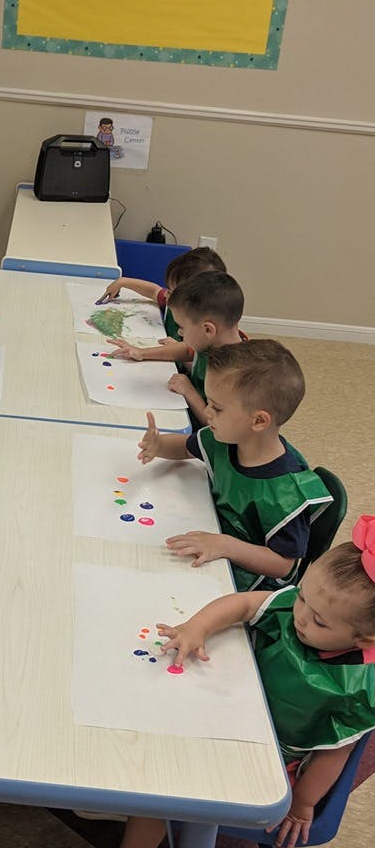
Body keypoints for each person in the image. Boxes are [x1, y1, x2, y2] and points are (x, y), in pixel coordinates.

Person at [65, 518, 375, 848]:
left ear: (364, 639)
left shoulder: (358, 686)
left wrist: (302, 804)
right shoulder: (309, 605)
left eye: (318, 621)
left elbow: (334, 752)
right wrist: (197, 627)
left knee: (170, 779)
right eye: (301, 599)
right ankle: (126, 798)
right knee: (148, 703)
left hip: (272, 759)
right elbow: (245, 604)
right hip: (238, 706)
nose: (299, 616)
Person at [138, 340, 333, 591]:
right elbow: (186, 447)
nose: (207, 412)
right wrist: (159, 445)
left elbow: (283, 565)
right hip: (214, 537)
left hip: (250, 584)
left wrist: (225, 545)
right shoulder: (229, 439)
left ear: (259, 421)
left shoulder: (286, 493)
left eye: (217, 408)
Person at [99, 247, 226, 366]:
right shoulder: (177, 304)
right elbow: (154, 291)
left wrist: (176, 351)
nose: (165, 294)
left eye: (170, 291)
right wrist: (123, 282)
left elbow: (192, 360)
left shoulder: (213, 344)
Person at [159, 270, 246, 425]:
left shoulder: (235, 373)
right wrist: (141, 353)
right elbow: (195, 364)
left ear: (208, 330)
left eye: (182, 327)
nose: (179, 333)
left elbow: (216, 425)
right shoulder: (211, 344)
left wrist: (189, 392)